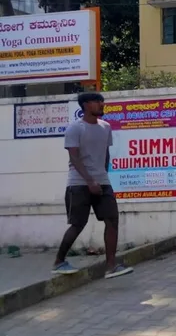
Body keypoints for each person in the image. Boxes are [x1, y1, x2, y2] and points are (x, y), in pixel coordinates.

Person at [52, 92, 132, 279]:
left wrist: (102, 176)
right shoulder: (75, 128)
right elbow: (74, 156)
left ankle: (111, 266)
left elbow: (105, 154)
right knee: (78, 224)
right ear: (86, 105)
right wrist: (89, 181)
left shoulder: (106, 127)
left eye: (101, 101)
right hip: (79, 184)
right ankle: (58, 261)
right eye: (97, 101)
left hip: (102, 182)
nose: (101, 104)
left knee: (112, 220)